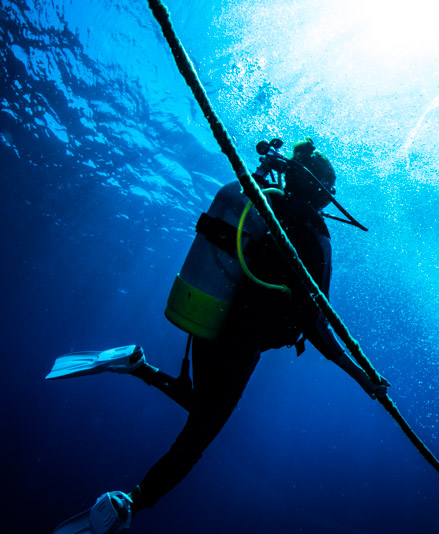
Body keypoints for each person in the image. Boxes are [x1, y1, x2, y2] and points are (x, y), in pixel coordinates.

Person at [48, 138, 388, 534]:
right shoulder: (312, 232)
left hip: (212, 318)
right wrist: (363, 377)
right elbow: (316, 324)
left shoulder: (264, 201)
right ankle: (127, 506)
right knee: (198, 436)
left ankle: (137, 365)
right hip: (241, 343)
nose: (332, 196)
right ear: (316, 187)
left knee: (198, 405)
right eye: (330, 187)